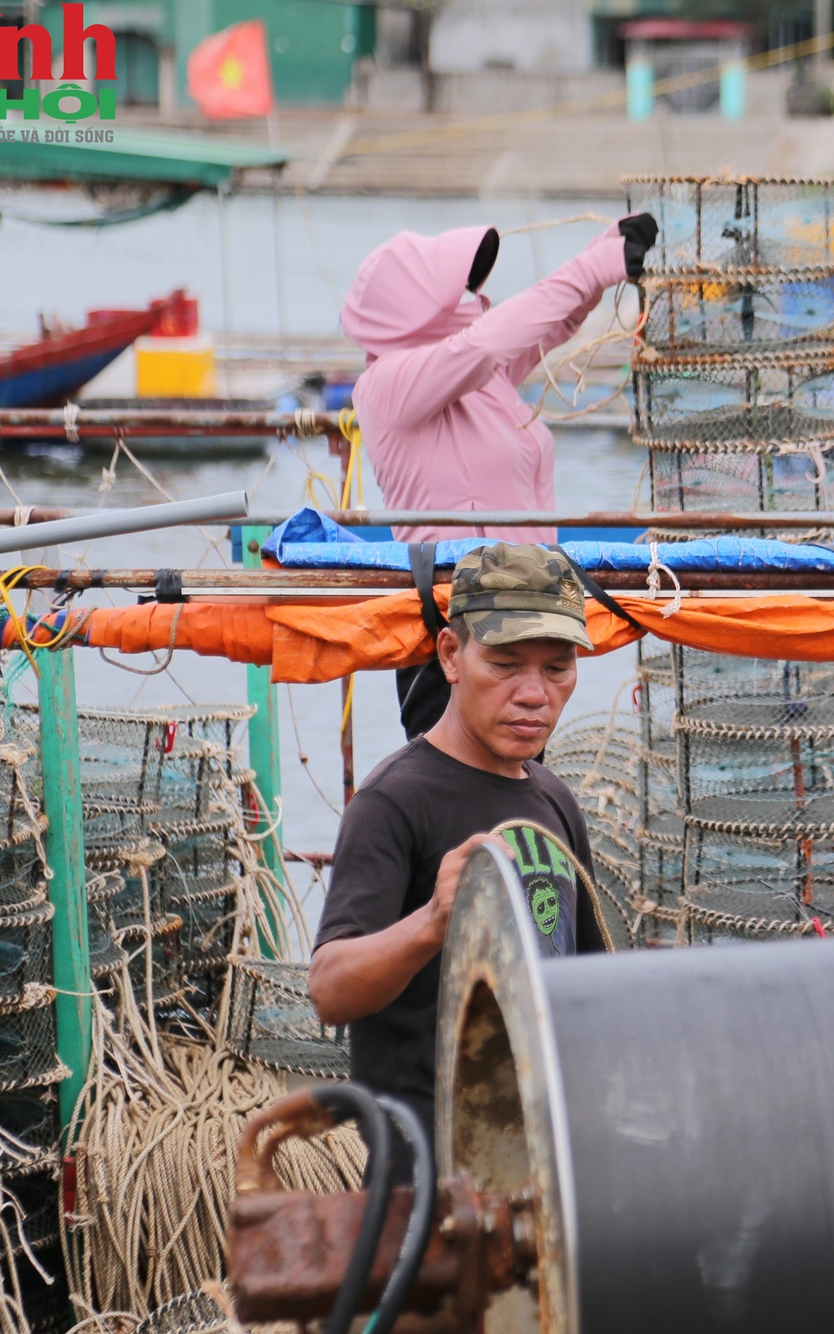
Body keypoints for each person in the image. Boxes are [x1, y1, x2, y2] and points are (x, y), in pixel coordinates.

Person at [308, 543, 609, 1123]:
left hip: (542, 1148)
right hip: (425, 1166)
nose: (533, 693)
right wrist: (432, 923)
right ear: (451, 655)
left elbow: (587, 978)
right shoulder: (394, 800)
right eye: (504, 664)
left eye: (557, 667)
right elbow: (329, 990)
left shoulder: (553, 798)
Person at [341, 213, 657, 738]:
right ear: (408, 308)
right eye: (451, 289)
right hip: (455, 627)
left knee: (517, 796)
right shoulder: (388, 384)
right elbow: (486, 343)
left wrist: (606, 257)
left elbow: (543, 326)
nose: (468, 295)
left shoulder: (474, 376)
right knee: (457, 801)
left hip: (528, 614)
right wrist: (591, 267)